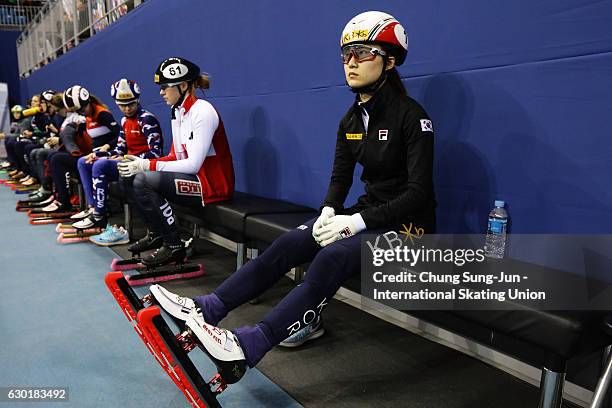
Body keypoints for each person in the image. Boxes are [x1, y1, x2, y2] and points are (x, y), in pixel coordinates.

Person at [147, 11, 437, 381]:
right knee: (293, 241)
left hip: (411, 228)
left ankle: (250, 344)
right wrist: (330, 211)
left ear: (390, 61)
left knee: (331, 259)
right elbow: (340, 177)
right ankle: (207, 308)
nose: (350, 63)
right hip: (368, 214)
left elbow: (419, 193)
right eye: (346, 54)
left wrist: (356, 222)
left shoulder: (413, 117)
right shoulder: (350, 119)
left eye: (362, 53)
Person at [117, 57, 234, 265]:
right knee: (130, 177)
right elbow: (176, 156)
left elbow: (193, 164)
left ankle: (174, 246)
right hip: (193, 179)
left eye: (165, 87)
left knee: (145, 179)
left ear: (182, 86)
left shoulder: (203, 111)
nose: (161, 92)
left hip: (211, 186)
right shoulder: (178, 112)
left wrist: (147, 165)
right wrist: (140, 163)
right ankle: (156, 234)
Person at [76, 78, 162, 246]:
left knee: (100, 165)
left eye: (130, 104)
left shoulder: (146, 120)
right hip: (127, 164)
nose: (127, 108)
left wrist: (124, 158)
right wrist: (99, 153)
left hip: (143, 166)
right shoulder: (124, 121)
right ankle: (94, 209)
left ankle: (100, 215)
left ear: (137, 100)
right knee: (85, 161)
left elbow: (156, 153)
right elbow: (119, 149)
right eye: (122, 105)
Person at [42, 85, 120, 214]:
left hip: (108, 156)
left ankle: (99, 209)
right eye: (78, 112)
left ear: (87, 102)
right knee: (78, 161)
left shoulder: (102, 114)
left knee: (75, 161)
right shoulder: (88, 116)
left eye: (81, 110)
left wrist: (108, 147)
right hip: (95, 155)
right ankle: (92, 206)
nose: (81, 114)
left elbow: (121, 136)